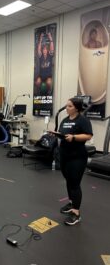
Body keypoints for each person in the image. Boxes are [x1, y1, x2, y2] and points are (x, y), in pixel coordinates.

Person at [58, 97, 93, 226]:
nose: (66, 108)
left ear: (76, 108)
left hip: (77, 157)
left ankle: (76, 213)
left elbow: (88, 135)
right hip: (64, 156)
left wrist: (74, 137)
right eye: (66, 106)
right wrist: (55, 134)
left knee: (74, 184)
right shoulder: (65, 120)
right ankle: (72, 203)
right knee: (69, 181)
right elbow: (61, 133)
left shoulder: (83, 120)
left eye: (69, 106)